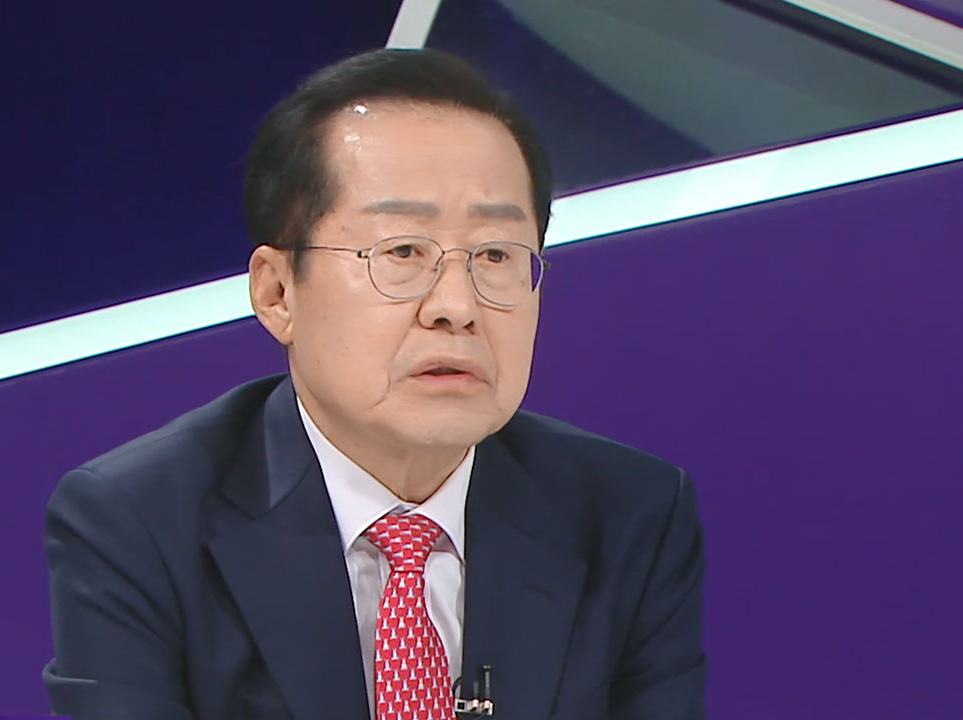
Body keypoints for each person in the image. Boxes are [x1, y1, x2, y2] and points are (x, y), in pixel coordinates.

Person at [43, 48, 706, 720]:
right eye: (402, 252)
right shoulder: (140, 525)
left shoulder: (630, 515)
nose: (457, 306)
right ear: (278, 293)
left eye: (496, 255)